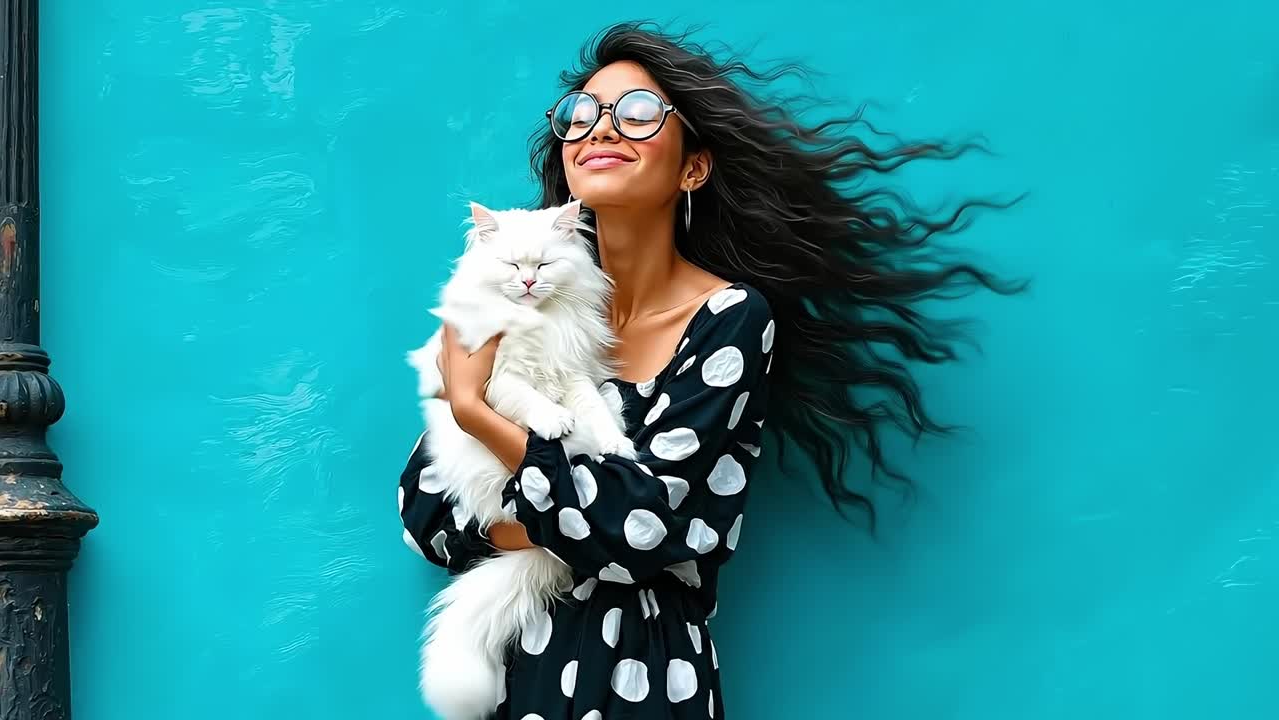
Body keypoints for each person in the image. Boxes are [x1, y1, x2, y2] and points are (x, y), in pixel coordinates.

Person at [398, 21, 1019, 720]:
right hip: (516, 679)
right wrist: (588, 518)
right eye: (581, 115)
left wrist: (479, 415)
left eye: (637, 113)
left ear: (693, 166)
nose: (600, 128)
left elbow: (639, 529)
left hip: (641, 679)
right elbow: (427, 515)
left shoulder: (730, 319)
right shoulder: (505, 300)